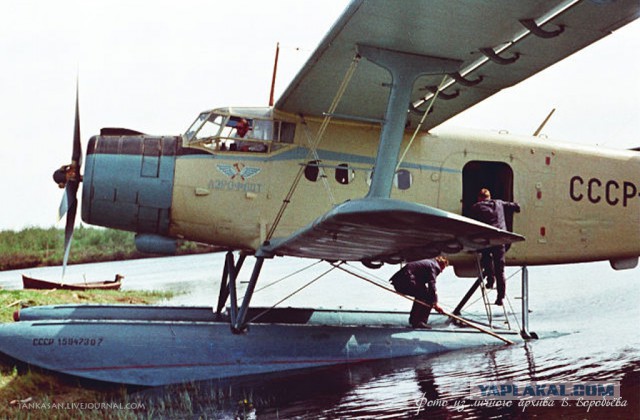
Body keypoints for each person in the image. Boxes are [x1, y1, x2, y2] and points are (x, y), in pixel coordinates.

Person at [469, 188, 520, 306]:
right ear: (489, 197)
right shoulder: (499, 203)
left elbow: (471, 219)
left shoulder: (477, 207)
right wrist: (517, 206)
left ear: (479, 198)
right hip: (500, 239)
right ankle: (500, 297)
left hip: (488, 239)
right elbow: (515, 206)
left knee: (486, 258)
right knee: (500, 269)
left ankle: (490, 281)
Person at [389, 256, 449, 328]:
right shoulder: (434, 266)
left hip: (400, 282)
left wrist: (435, 301)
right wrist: (435, 304)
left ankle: (414, 320)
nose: (441, 271)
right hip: (405, 282)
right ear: (441, 264)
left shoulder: (429, 263)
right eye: (442, 268)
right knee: (428, 296)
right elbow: (432, 285)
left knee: (424, 293)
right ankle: (420, 321)